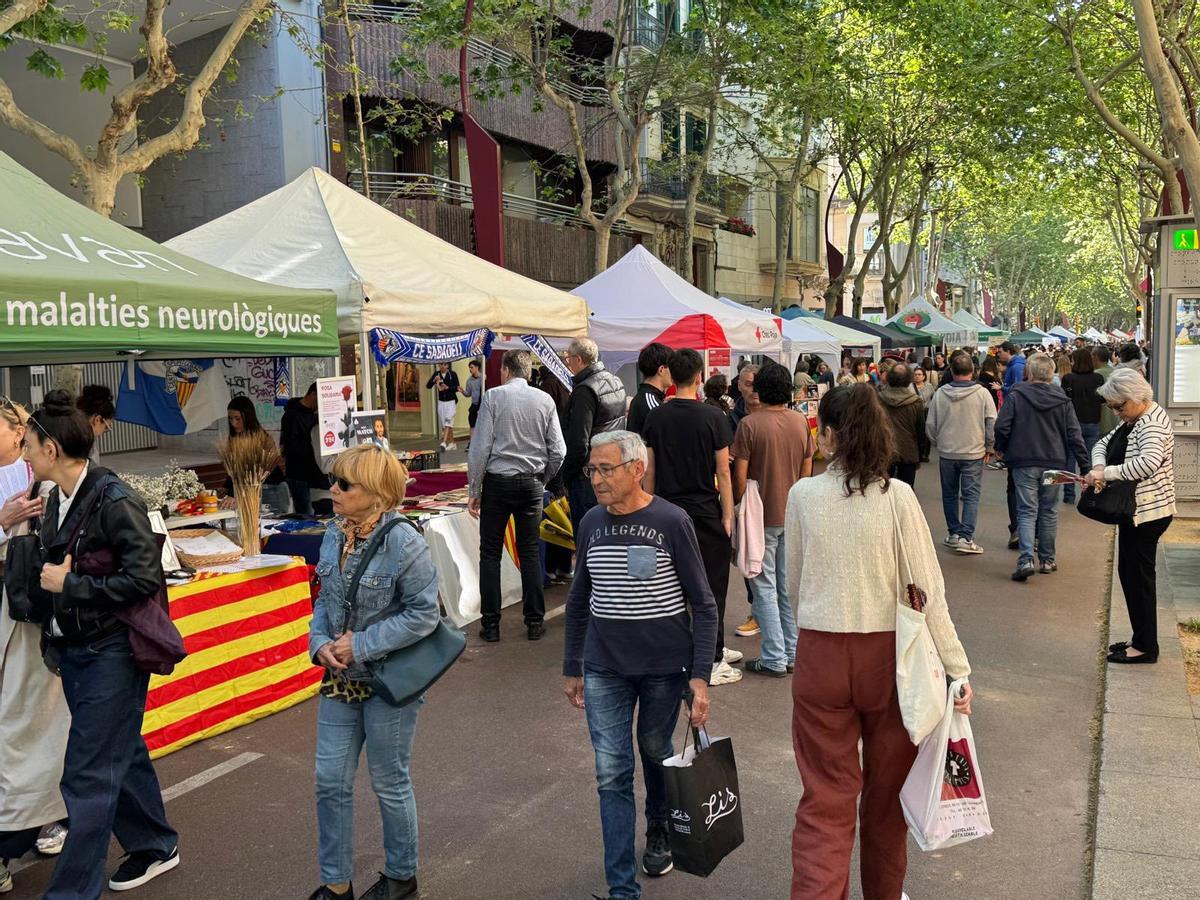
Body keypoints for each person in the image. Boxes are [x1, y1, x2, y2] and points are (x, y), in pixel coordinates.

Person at [786, 383, 972, 900]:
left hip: (822, 652)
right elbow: (928, 588)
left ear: (827, 434)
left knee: (825, 796)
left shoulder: (803, 495)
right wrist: (957, 669)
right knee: (886, 795)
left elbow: (793, 582)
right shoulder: (899, 498)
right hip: (892, 657)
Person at [27, 390, 179, 898]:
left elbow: (144, 580)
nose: (22, 454)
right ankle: (155, 842)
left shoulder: (115, 499)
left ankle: (71, 892)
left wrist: (71, 586)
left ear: (51, 449)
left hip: (112, 652)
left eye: (27, 444)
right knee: (121, 746)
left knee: (88, 777)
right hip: (76, 651)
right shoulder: (55, 498)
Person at [562, 431, 717, 900]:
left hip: (663, 668)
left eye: (606, 469)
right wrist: (574, 665)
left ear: (636, 469)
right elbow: (578, 600)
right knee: (611, 773)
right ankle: (621, 889)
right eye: (592, 470)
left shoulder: (672, 521)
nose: (596, 479)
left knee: (654, 747)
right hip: (605, 666)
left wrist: (699, 678)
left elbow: (704, 604)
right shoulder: (589, 522)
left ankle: (660, 828)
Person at [307, 445, 440, 900]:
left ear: (378, 494)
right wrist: (320, 642)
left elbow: (425, 614)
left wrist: (361, 643)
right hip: (340, 680)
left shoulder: (405, 541)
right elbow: (324, 601)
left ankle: (401, 877)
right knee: (330, 781)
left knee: (388, 781)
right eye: (334, 480)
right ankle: (336, 883)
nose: (334, 489)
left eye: (346, 483)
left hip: (389, 682)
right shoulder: (332, 532)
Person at [0, 399, 68, 889]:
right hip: (12, 620)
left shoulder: (46, 481)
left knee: (31, 723)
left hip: (28, 622)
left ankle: (42, 817)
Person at [643, 349, 740, 686]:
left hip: (666, 513)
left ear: (672, 375)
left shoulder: (656, 418)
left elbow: (649, 470)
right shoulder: (713, 417)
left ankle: (682, 653)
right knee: (712, 588)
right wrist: (728, 515)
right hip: (705, 511)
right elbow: (723, 474)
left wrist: (648, 511)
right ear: (699, 377)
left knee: (669, 588)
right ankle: (711, 658)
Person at [467, 350, 566, 643]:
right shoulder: (544, 400)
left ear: (507, 371)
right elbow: (558, 450)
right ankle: (535, 621)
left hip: (498, 484)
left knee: (490, 554)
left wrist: (474, 489)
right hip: (531, 484)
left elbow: (480, 449)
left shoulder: (493, 398)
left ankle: (491, 624)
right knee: (530, 552)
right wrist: (542, 479)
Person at [731, 361, 815, 676]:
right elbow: (807, 467)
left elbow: (740, 475)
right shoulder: (799, 422)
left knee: (763, 586)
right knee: (784, 587)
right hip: (792, 514)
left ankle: (775, 656)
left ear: (759, 389)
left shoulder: (750, 425)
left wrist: (739, 503)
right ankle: (791, 652)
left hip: (760, 516)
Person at [1088, 370, 1176, 665]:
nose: (1116, 412)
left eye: (1119, 406)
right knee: (1132, 575)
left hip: (1148, 512)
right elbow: (1102, 443)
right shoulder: (1138, 417)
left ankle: (1146, 646)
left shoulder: (1150, 423)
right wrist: (1099, 465)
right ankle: (1141, 638)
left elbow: (1147, 464)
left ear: (1136, 397)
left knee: (1138, 578)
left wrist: (1106, 472)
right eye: (1113, 407)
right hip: (1140, 510)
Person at [994, 354, 1089, 582]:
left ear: (1030, 373)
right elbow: (1074, 434)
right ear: (1051, 373)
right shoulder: (1063, 401)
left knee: (1027, 510)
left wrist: (1001, 447)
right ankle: (1047, 559)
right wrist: (1084, 465)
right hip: (1054, 462)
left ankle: (1026, 558)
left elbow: (1002, 425)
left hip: (1024, 460)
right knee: (1048, 510)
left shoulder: (1017, 395)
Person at [926, 352, 997, 554]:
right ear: (972, 371)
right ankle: (966, 537)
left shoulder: (940, 394)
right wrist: (989, 446)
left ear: (951, 370)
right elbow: (991, 421)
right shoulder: (982, 394)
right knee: (971, 495)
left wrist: (938, 442)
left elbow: (930, 424)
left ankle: (954, 533)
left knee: (949, 494)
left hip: (948, 452)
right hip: (973, 452)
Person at [561, 338, 627, 537]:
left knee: (588, 535)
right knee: (609, 532)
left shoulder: (585, 390)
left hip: (588, 473)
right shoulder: (615, 380)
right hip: (613, 466)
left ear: (579, 359)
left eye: (568, 358)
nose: (567, 363)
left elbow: (579, 442)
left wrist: (566, 475)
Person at [220, 396, 286, 511]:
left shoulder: (261, 438)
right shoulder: (234, 438)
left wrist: (234, 493)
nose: (233, 423)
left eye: (237, 419)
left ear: (248, 417)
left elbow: (253, 473)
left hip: (269, 491)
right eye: (230, 419)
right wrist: (227, 487)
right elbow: (237, 471)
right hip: (251, 490)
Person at [1061, 348, 1105, 505]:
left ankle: (1069, 495)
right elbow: (1102, 399)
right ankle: (1089, 493)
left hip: (1072, 424)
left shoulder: (1068, 379)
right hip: (1092, 422)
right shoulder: (1098, 378)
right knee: (1089, 460)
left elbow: (1064, 400)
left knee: (1069, 460)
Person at [878, 363, 927, 486]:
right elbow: (920, 431)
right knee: (906, 491)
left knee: (883, 491)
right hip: (909, 451)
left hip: (884, 450)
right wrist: (920, 454)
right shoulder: (916, 402)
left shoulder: (878, 399)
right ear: (909, 380)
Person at [281, 383, 324, 515]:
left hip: (314, 474)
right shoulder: (292, 416)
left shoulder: (314, 415)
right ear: (313, 394)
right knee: (305, 513)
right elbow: (290, 447)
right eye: (320, 400)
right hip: (299, 473)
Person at [626, 342, 673, 436]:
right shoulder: (651, 404)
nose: (674, 372)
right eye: (672, 367)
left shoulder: (647, 398)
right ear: (661, 370)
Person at [75, 385, 115, 465]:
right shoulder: (82, 443)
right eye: (106, 427)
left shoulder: (66, 431)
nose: (101, 434)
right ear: (97, 420)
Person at [425, 362, 461, 451]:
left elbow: (457, 387)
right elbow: (428, 386)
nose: (442, 366)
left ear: (447, 366)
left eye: (444, 365)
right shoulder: (436, 374)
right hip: (441, 402)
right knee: (446, 424)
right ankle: (452, 443)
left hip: (451, 402)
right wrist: (434, 380)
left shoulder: (452, 374)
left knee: (448, 420)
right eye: (441, 364)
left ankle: (444, 442)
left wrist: (447, 387)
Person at [730, 363, 759, 429]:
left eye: (758, 384)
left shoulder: (776, 419)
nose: (754, 389)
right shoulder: (728, 422)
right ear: (739, 385)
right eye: (748, 384)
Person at [462, 359, 484, 443]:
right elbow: (468, 394)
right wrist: (462, 391)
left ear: (477, 367)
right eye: (469, 368)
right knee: (472, 424)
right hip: (474, 405)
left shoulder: (483, 377)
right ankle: (471, 443)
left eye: (471, 367)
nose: (470, 369)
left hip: (482, 404)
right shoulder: (469, 381)